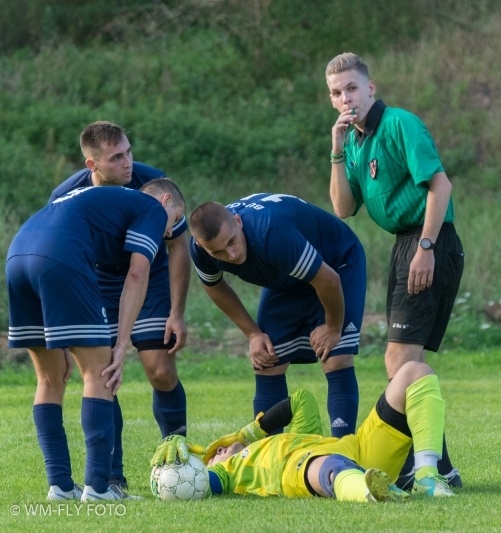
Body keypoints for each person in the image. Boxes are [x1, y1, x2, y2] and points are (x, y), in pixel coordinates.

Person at [325, 52, 465, 489]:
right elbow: (344, 208)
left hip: (429, 239)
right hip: (406, 245)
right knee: (407, 363)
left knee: (400, 359)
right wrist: (335, 151)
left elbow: (440, 184)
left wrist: (426, 246)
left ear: (371, 88)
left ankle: (427, 467)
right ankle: (437, 466)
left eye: (351, 87)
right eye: (336, 92)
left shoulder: (400, 123)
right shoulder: (352, 141)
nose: (345, 97)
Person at [6, 180, 185, 502]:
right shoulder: (151, 208)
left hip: (18, 255)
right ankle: (99, 487)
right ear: (166, 201)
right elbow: (137, 274)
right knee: (99, 371)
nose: (169, 232)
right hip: (61, 256)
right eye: (174, 220)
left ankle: (60, 486)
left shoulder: (99, 198)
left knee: (50, 377)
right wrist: (120, 346)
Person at [50, 121, 192, 493]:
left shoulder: (152, 185)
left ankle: (178, 458)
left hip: (148, 275)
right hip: (96, 282)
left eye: (128, 151)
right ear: (91, 165)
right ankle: (111, 477)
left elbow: (178, 247)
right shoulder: (66, 195)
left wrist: (177, 312)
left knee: (159, 369)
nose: (128, 162)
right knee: (103, 374)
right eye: (116, 158)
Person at [188, 193, 365, 438]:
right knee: (267, 360)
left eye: (231, 242)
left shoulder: (271, 233)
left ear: (238, 222)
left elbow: (329, 280)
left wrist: (333, 328)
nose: (231, 255)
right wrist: (253, 333)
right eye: (217, 252)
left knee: (335, 357)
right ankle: (268, 456)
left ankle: (343, 449)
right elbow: (214, 286)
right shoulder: (200, 250)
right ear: (201, 245)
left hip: (336, 262)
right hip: (286, 275)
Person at [151, 361, 454, 500]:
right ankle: (369, 492)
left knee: (415, 371)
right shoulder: (228, 471)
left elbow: (301, 399)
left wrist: (248, 433)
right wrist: (178, 459)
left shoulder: (293, 436)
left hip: (361, 448)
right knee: (326, 466)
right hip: (298, 471)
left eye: (217, 450)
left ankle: (428, 480)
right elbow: (196, 484)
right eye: (211, 456)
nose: (216, 451)